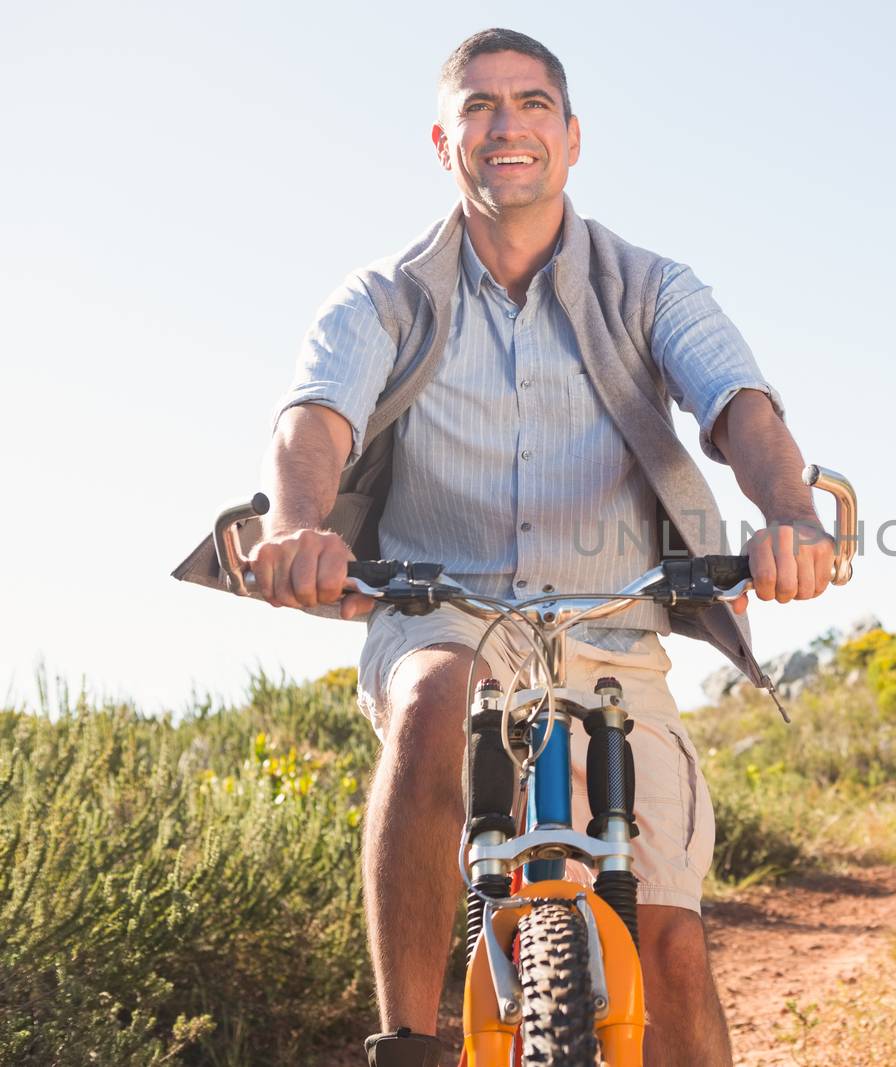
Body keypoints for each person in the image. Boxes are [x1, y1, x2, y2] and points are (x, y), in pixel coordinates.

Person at [223, 28, 832, 1067]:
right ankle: (408, 1044)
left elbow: (740, 407)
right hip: (441, 611)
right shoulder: (383, 297)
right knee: (431, 696)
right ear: (442, 137)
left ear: (573, 135)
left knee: (675, 947)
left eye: (532, 102)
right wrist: (296, 528)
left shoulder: (651, 287)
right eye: (480, 105)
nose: (507, 125)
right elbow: (315, 418)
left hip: (613, 632)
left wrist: (791, 517)